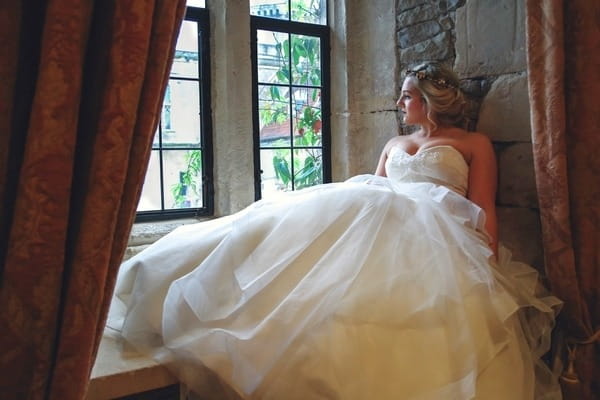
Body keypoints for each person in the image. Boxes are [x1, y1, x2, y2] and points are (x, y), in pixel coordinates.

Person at [108, 62, 562, 399]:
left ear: (429, 99)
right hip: (384, 214)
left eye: (406, 95)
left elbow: (482, 205)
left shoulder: (472, 144)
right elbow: (379, 185)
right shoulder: (393, 143)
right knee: (288, 224)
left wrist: (487, 253)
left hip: (438, 231)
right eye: (401, 96)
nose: (400, 103)